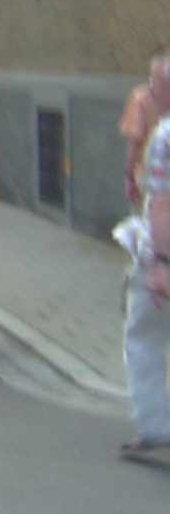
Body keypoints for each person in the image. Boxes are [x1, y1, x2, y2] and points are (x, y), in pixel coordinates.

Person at [115, 113, 170, 453]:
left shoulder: (166, 135)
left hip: (165, 254)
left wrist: (160, 263)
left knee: (144, 336)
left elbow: (163, 203)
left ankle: (155, 424)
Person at [119, 46, 170, 212]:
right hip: (148, 179)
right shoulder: (141, 99)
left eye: (160, 80)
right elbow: (135, 141)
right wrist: (129, 176)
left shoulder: (141, 98)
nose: (154, 86)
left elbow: (135, 142)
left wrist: (128, 177)